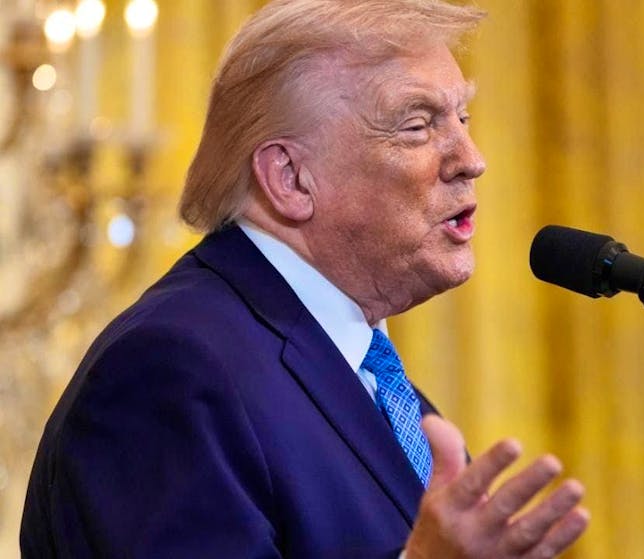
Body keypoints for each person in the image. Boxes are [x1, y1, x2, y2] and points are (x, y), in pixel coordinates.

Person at [19, 1, 589, 557]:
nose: (471, 157)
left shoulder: (378, 383)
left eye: (461, 118)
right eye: (417, 125)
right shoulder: (170, 368)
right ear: (290, 179)